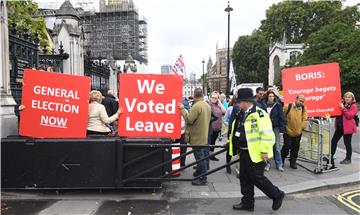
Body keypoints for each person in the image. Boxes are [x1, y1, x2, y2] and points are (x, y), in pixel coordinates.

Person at [229, 88, 285, 212]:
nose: (237, 104)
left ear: (246, 101)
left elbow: (267, 134)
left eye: (239, 101)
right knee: (244, 177)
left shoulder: (260, 114)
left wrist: (264, 150)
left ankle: (277, 194)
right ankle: (247, 202)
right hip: (243, 151)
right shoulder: (241, 113)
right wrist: (231, 141)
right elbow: (237, 129)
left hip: (256, 153)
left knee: (257, 178)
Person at [178, 88, 211, 186]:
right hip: (203, 135)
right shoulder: (206, 105)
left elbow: (189, 119)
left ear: (194, 95)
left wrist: (182, 109)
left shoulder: (197, 106)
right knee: (202, 157)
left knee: (200, 158)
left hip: (197, 137)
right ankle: (200, 173)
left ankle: (203, 178)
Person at [330, 92, 358, 167]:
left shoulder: (353, 106)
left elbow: (350, 116)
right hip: (339, 127)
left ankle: (348, 159)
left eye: (349, 97)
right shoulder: (341, 105)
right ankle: (330, 156)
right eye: (346, 97)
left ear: (352, 98)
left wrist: (343, 108)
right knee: (333, 141)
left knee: (347, 143)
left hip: (348, 128)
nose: (347, 98)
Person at [281, 95, 308, 169]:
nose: (301, 102)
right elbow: (282, 117)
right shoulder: (288, 106)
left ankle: (293, 162)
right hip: (288, 132)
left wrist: (302, 127)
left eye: (303, 101)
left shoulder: (303, 108)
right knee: (286, 147)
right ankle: (281, 159)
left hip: (298, 133)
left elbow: (305, 119)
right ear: (296, 99)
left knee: (295, 148)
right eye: (300, 100)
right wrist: (283, 128)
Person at [264, 91, 286, 171]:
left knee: (276, 147)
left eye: (272, 96)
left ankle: (279, 164)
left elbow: (282, 118)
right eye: (270, 96)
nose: (271, 97)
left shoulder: (278, 105)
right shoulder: (263, 105)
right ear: (267, 97)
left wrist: (281, 130)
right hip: (266, 128)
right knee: (267, 147)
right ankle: (267, 164)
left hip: (275, 128)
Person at [208, 91, 226, 161]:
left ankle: (211, 155)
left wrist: (219, 102)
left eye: (216, 98)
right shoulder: (208, 104)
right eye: (213, 97)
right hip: (210, 127)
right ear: (210, 98)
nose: (214, 99)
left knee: (213, 142)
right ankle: (207, 157)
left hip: (218, 127)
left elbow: (224, 111)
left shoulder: (219, 105)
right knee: (209, 142)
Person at [223, 96, 237, 173]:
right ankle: (228, 165)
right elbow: (225, 120)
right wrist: (231, 125)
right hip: (231, 131)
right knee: (229, 148)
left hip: (240, 132)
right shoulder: (230, 109)